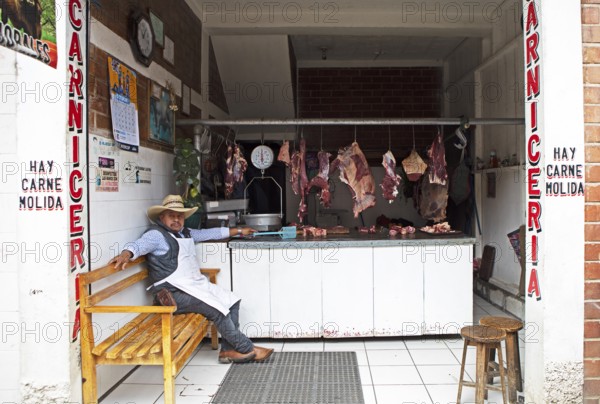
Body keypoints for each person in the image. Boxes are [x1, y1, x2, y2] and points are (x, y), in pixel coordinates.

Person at [109, 194, 273, 364]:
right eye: (171, 215)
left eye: (179, 216)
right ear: (161, 217)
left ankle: (227, 350)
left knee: (232, 301)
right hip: (171, 294)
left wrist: (238, 231)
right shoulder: (156, 235)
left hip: (194, 286)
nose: (176, 220)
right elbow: (139, 245)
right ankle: (247, 348)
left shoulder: (184, 233)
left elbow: (209, 233)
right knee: (218, 310)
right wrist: (126, 254)